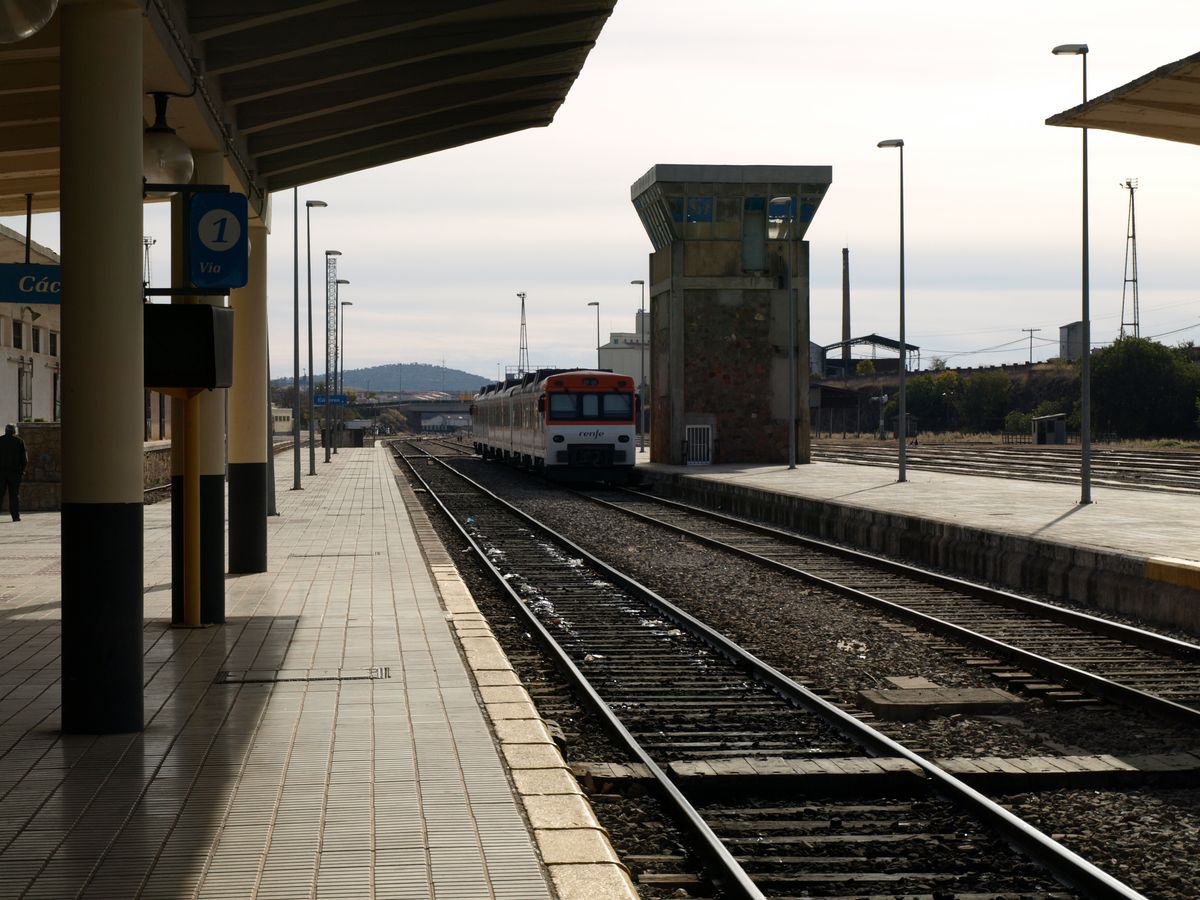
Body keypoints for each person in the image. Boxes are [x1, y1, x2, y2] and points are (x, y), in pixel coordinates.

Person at [0, 423, 27, 522]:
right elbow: (24, 459)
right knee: (14, 495)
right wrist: (22, 471)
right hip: (15, 473)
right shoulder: (19, 441)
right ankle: (15, 516)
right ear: (14, 431)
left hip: (1, 473)